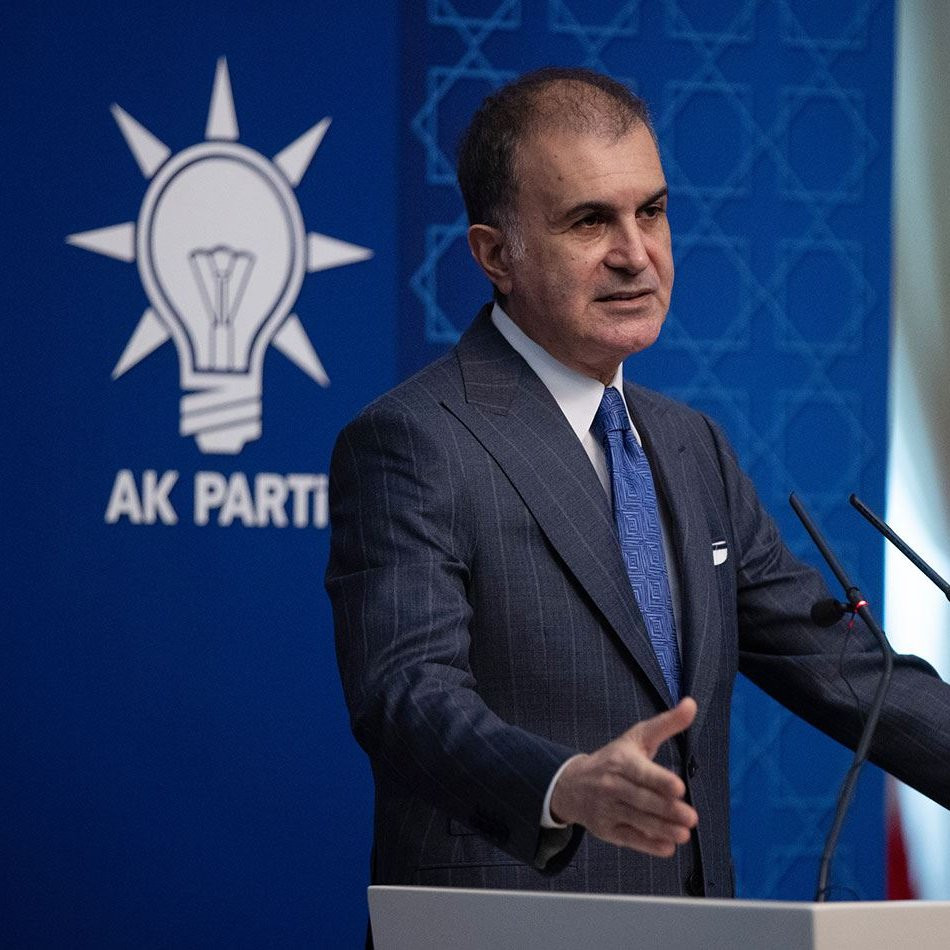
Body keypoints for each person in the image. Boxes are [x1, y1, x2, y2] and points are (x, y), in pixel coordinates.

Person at [326, 68, 950, 904]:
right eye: (590, 221)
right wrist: (562, 785)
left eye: (650, 211)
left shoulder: (692, 447)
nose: (635, 253)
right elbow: (405, 696)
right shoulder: (415, 441)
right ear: (496, 255)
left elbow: (848, 673)